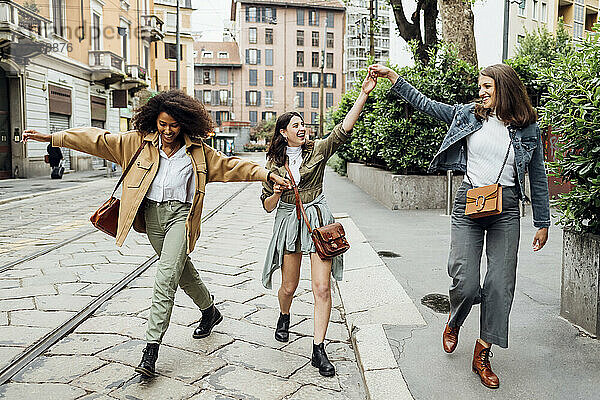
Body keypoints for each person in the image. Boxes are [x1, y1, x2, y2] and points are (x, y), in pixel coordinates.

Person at [23, 90, 290, 379]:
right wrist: (50, 138)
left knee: (165, 277)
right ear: (155, 120)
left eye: (173, 125)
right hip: (151, 218)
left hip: (180, 218)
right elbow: (97, 140)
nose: (167, 131)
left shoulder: (199, 151)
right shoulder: (136, 143)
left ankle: (151, 349)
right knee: (181, 270)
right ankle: (210, 311)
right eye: (162, 124)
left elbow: (231, 166)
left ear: (185, 124)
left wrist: (266, 174)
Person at [368, 63, 550, 388]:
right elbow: (426, 104)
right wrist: (395, 79)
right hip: (469, 201)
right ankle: (454, 321)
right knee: (465, 280)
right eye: (480, 86)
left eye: (487, 87)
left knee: (500, 283)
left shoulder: (526, 127)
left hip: (506, 207)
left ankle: (482, 351)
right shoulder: (468, 114)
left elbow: (536, 174)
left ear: (504, 89)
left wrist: (542, 221)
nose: (481, 92)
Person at [261, 73, 376, 377]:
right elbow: (267, 205)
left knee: (322, 287)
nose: (302, 128)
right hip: (288, 220)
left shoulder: (319, 150)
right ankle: (284, 314)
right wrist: (275, 193)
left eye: (303, 124)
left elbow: (343, 130)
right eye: (295, 125)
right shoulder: (273, 164)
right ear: (283, 133)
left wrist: (363, 95)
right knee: (288, 286)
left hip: (317, 221)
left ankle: (318, 349)